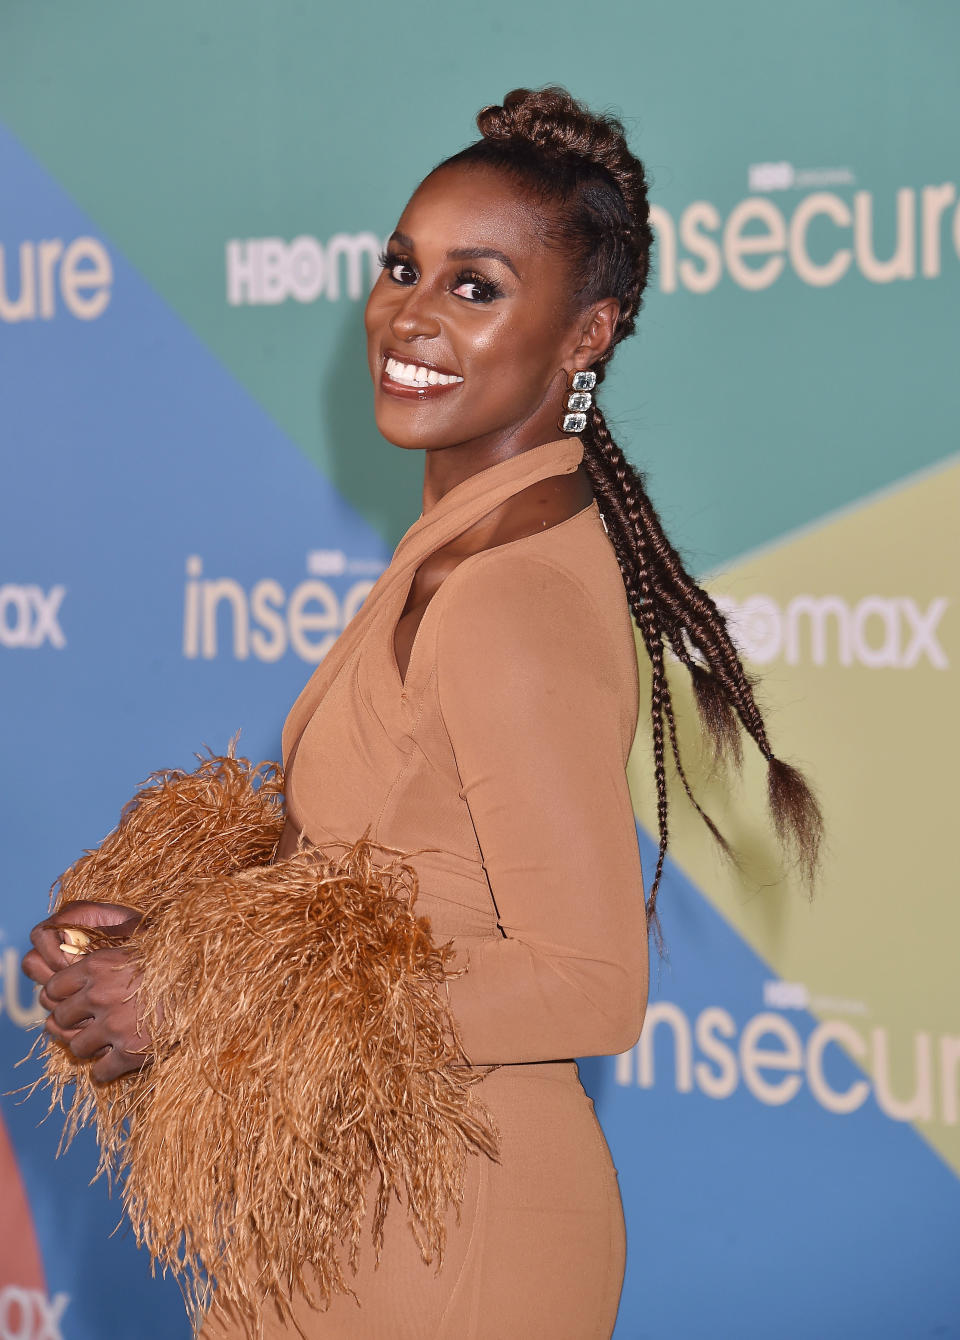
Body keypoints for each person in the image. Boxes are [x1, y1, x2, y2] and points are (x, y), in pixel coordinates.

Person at [22, 86, 821, 1339]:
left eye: (476, 286)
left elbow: (591, 982)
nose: (410, 314)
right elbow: (384, 873)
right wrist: (159, 941)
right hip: (353, 1200)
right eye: (406, 266)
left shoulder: (511, 598)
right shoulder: (456, 550)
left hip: (463, 1233)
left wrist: (201, 1000)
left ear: (586, 333)